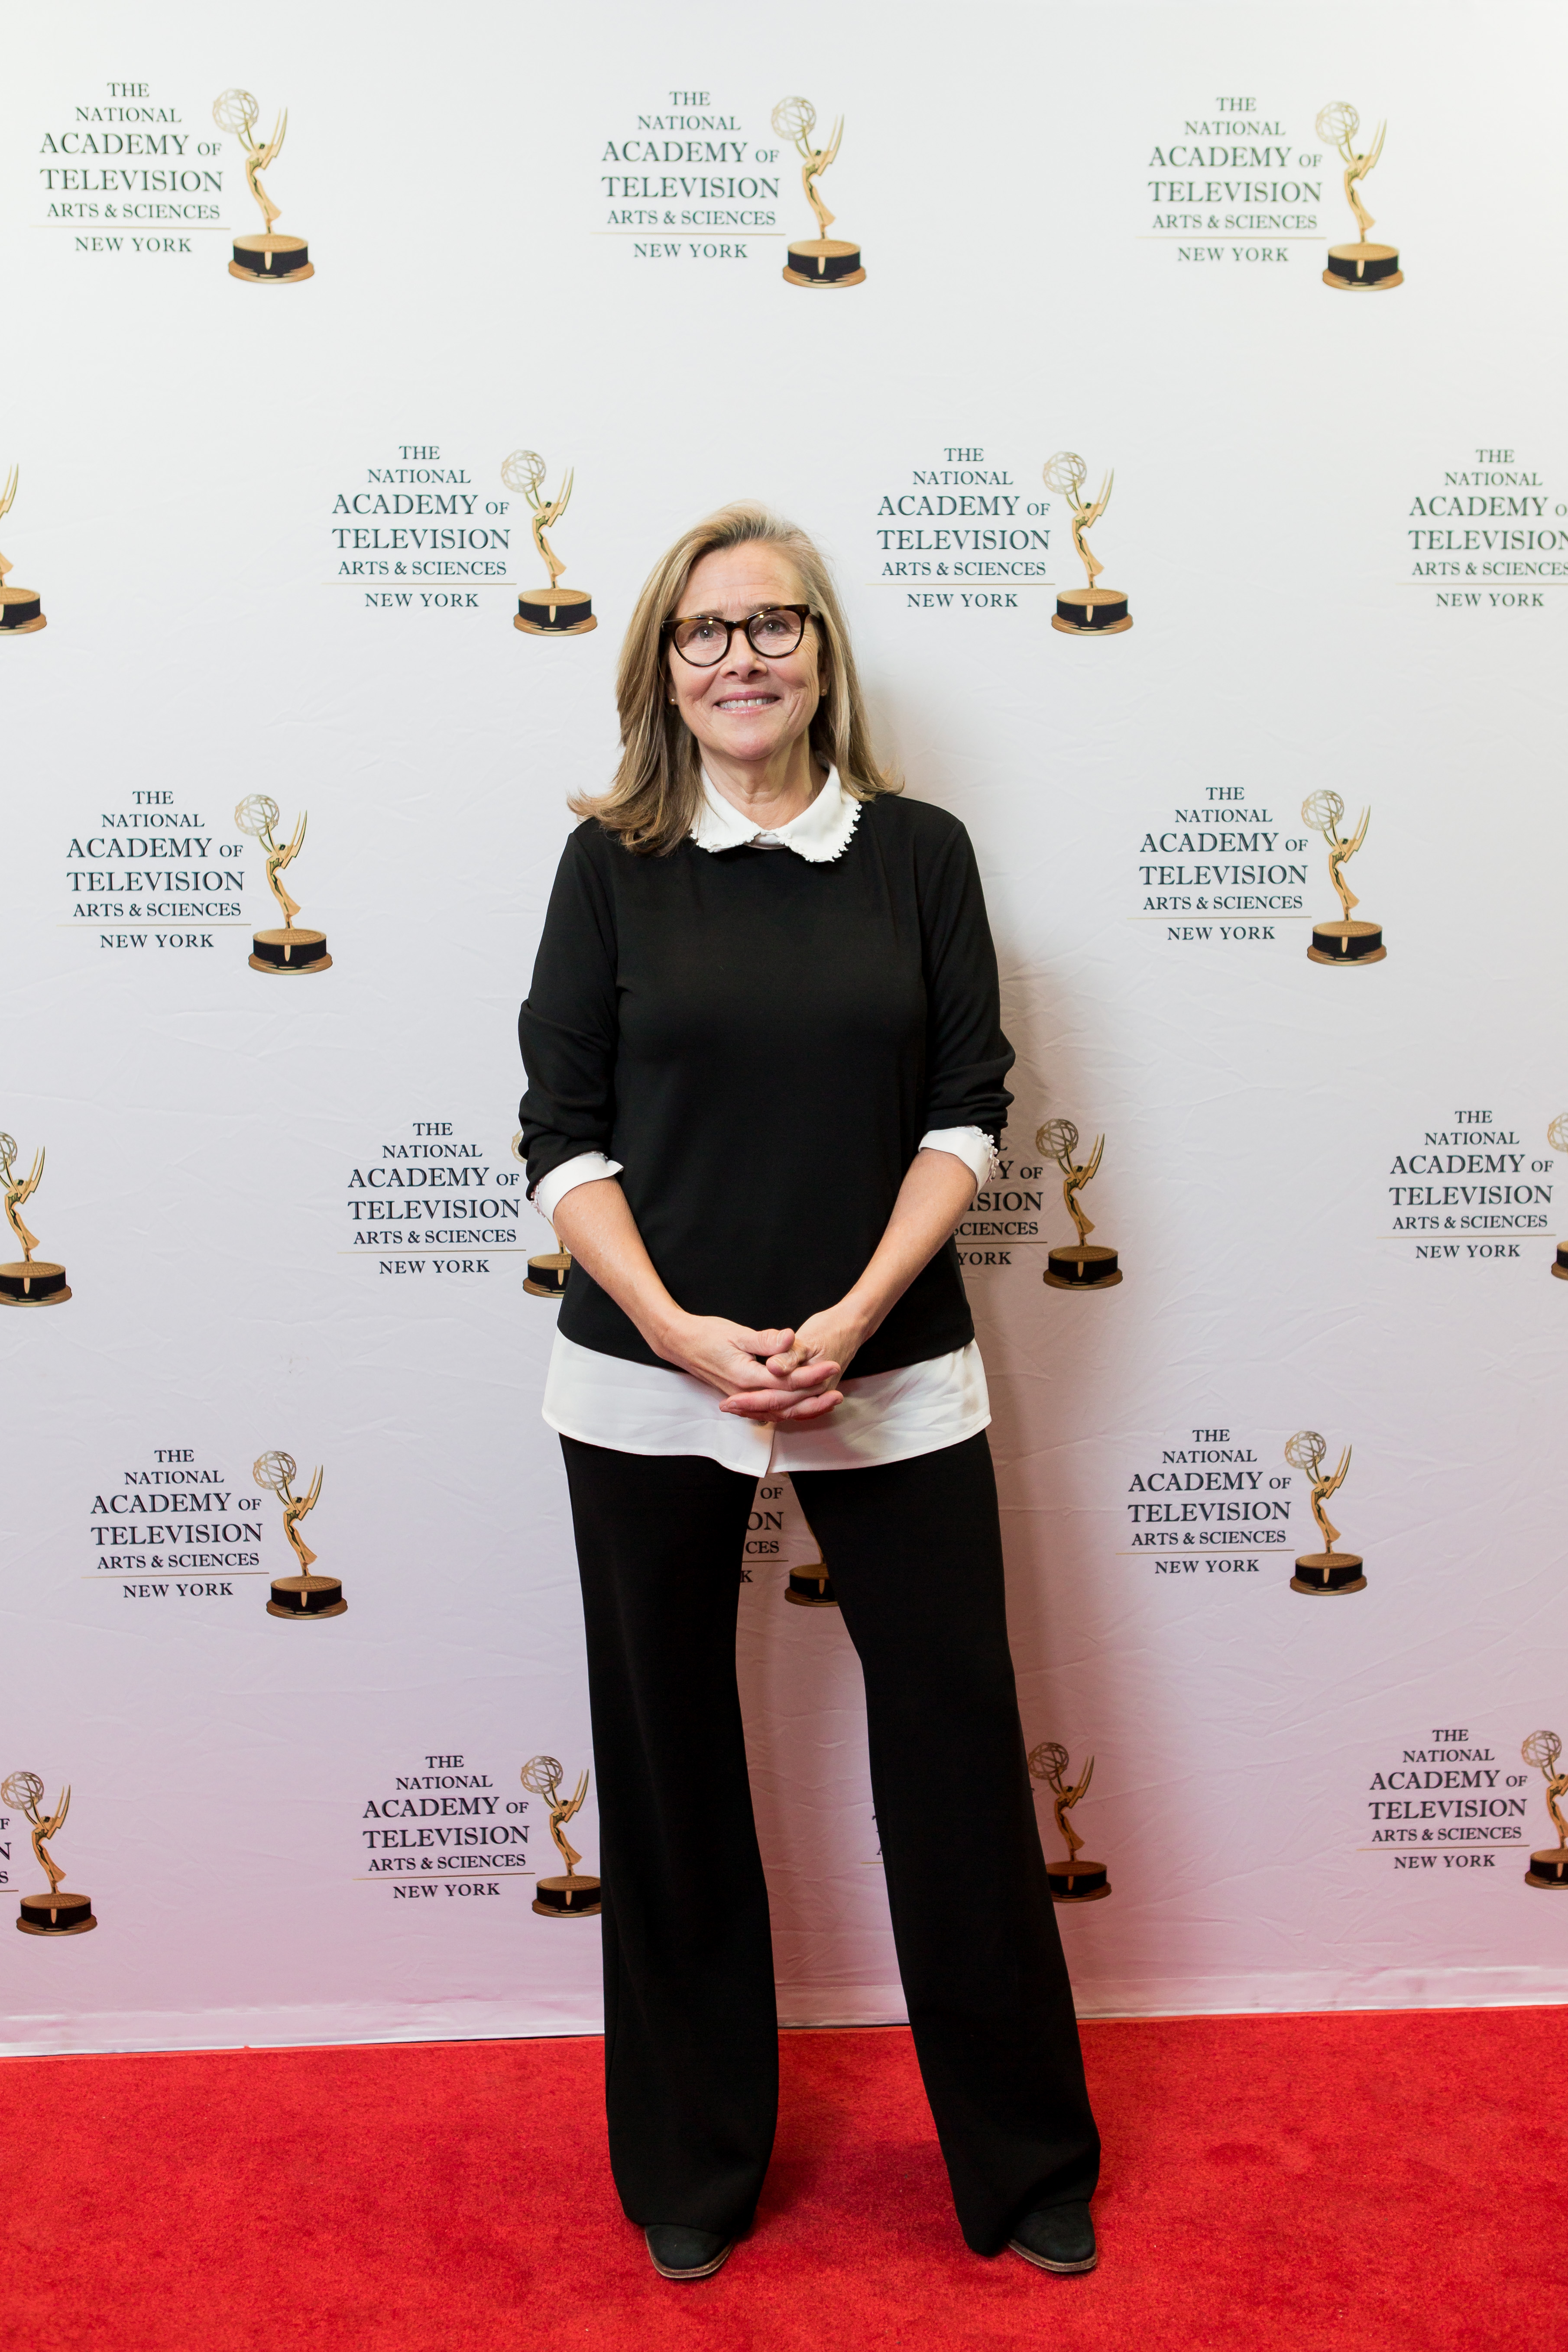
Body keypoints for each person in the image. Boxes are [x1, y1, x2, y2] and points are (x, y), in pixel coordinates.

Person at [517, 502, 1100, 2284]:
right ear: (661, 670)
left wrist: (851, 1313)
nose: (740, 657)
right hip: (645, 1383)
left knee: (954, 1758)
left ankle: (1022, 2161)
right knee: (668, 1764)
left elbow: (966, 1110)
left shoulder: (918, 853)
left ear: (823, 654)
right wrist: (681, 1331)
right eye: (703, 632)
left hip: (888, 1365)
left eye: (774, 624)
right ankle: (691, 2163)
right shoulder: (608, 865)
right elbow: (562, 1139)